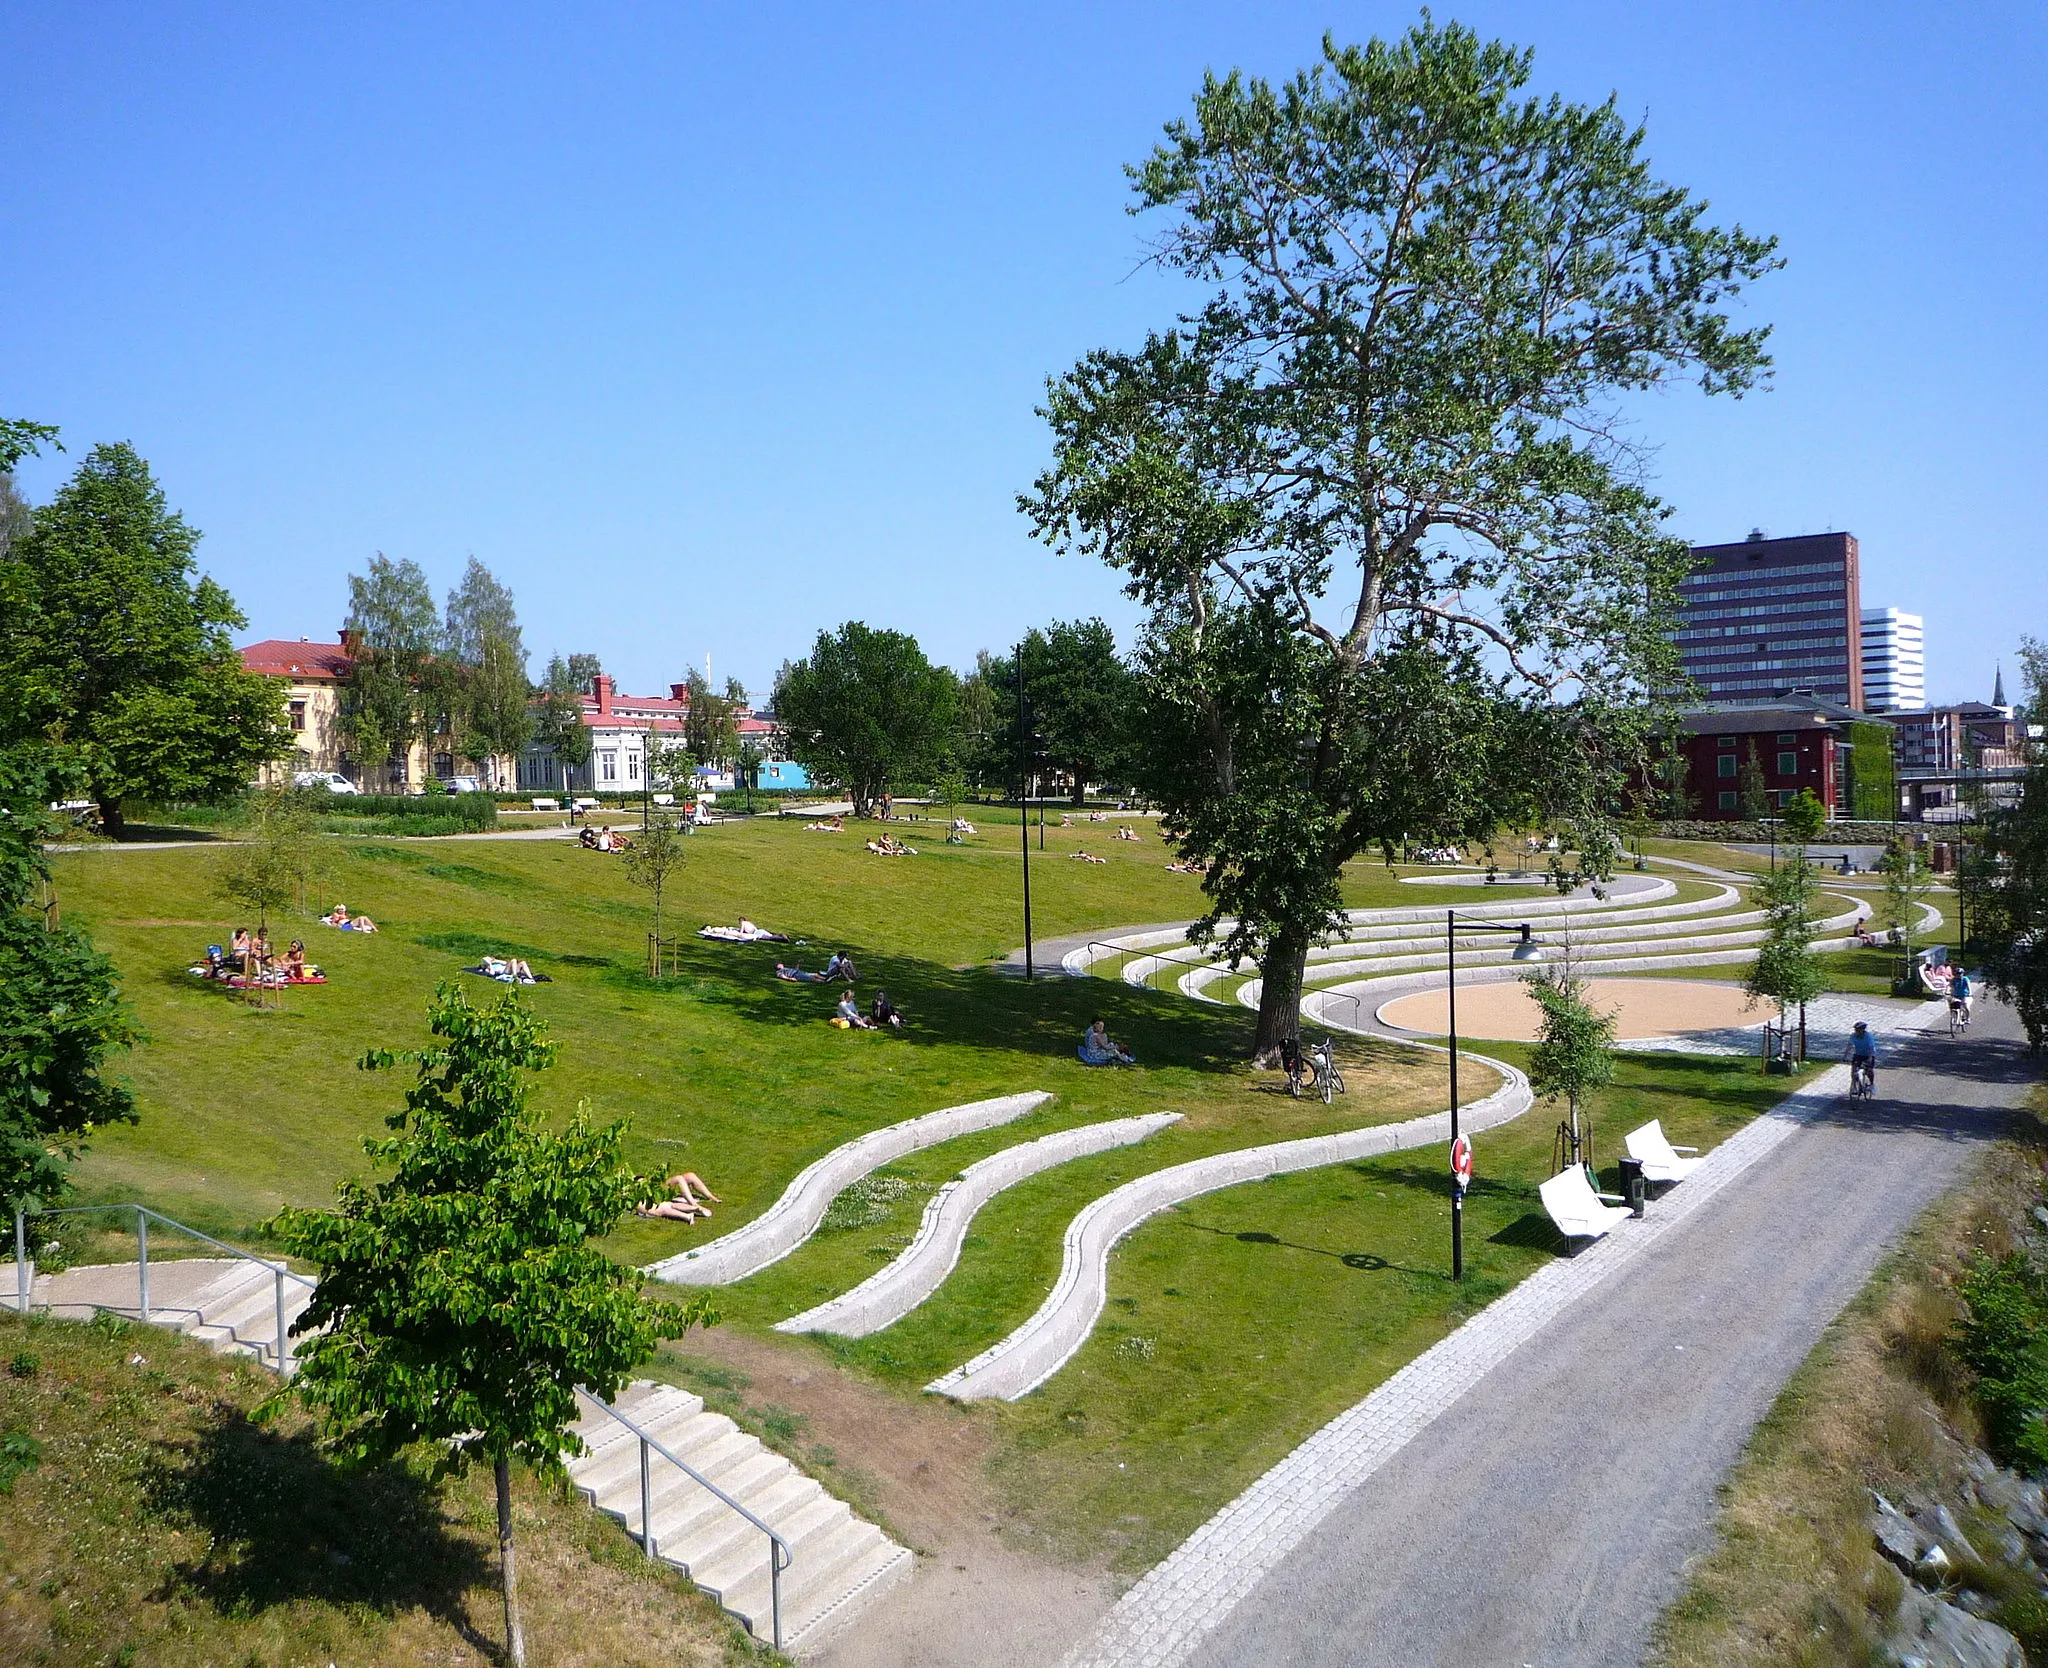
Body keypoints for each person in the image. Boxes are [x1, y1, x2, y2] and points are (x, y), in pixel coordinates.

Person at [1848, 1021, 1878, 1094]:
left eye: (1858, 1030)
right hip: (1858, 1054)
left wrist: (1870, 1058)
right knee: (1854, 1070)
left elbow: (1871, 1048)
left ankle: (1871, 1084)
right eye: (1855, 1030)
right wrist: (1845, 1056)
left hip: (1868, 1054)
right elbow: (1849, 1046)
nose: (1856, 1031)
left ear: (1862, 1030)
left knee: (1869, 1070)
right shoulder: (1853, 1036)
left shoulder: (1868, 1037)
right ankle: (1855, 1087)